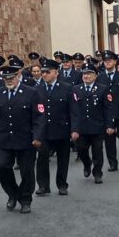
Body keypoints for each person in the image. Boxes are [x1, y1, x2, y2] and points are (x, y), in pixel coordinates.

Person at [0, 64, 44, 213]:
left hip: (25, 139)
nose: (8, 80)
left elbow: (38, 117)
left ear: (18, 76)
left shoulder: (31, 93)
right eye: (5, 78)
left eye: (11, 77)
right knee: (3, 168)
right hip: (5, 138)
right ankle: (13, 194)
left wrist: (37, 137)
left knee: (26, 171)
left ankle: (25, 199)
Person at [34, 59, 75, 196]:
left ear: (56, 73)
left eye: (47, 72)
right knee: (42, 158)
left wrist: (74, 129)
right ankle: (43, 185)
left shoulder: (67, 88)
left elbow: (73, 111)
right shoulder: (37, 89)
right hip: (44, 131)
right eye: (43, 72)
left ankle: (62, 184)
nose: (44, 74)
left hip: (61, 129)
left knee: (63, 159)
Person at [70, 63, 108, 183]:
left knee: (97, 151)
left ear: (95, 76)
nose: (86, 76)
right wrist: (73, 128)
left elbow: (107, 108)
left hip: (97, 125)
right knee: (81, 149)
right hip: (81, 127)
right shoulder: (76, 89)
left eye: (89, 74)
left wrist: (110, 125)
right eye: (84, 74)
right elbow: (73, 109)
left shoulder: (102, 88)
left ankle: (98, 173)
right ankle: (87, 163)